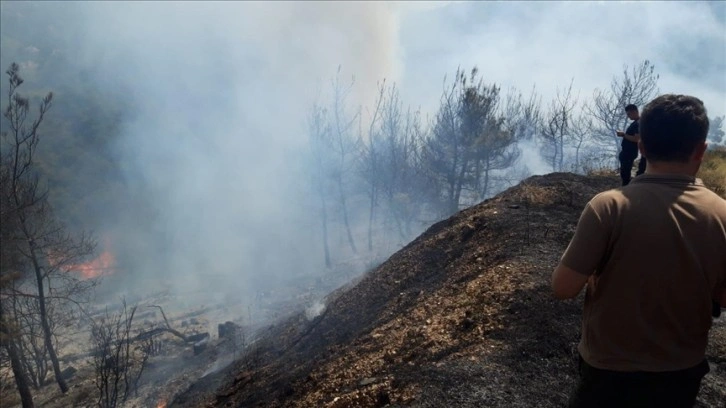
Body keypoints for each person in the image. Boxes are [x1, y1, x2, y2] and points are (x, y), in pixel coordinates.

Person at [551, 94, 726, 408]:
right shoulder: (722, 214)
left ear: (642, 147)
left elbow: (563, 288)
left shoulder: (609, 205)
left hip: (608, 370)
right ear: (701, 150)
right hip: (680, 372)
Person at [616, 104, 647, 185]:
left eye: (629, 114)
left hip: (630, 152)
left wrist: (623, 134)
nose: (628, 116)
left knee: (626, 171)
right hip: (627, 151)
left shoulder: (638, 123)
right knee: (624, 171)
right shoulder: (635, 123)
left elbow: (636, 139)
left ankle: (627, 187)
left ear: (635, 112)